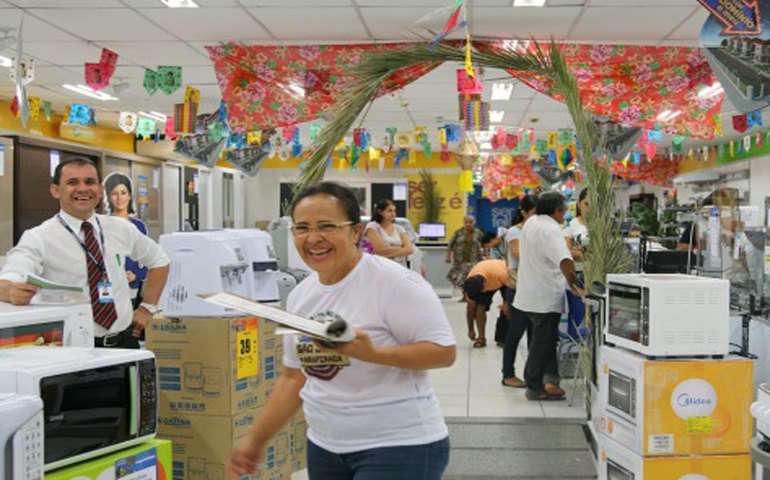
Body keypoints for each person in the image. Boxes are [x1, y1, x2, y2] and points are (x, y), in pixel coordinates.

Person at [230, 182, 456, 480]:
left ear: (355, 232)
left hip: (399, 446)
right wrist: (255, 439)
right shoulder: (301, 295)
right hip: (326, 446)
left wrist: (374, 354)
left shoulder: (395, 284)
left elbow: (443, 352)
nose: (313, 238)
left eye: (327, 226)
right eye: (302, 228)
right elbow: (293, 376)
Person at [0, 157, 169, 348]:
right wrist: (9, 291)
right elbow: (10, 276)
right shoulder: (39, 237)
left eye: (90, 182)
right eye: (72, 182)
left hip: (123, 343)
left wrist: (147, 308)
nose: (82, 189)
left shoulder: (121, 228)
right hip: (72, 350)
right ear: (55, 190)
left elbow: (159, 260)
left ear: (99, 189)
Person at [513, 192, 582, 401]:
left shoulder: (532, 222)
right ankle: (534, 386)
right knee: (542, 342)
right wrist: (576, 285)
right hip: (544, 294)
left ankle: (550, 380)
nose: (566, 215)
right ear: (556, 211)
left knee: (545, 339)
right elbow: (565, 261)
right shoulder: (551, 229)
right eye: (565, 210)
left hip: (529, 292)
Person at [501, 195, 537, 388]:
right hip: (518, 288)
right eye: (533, 213)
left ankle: (531, 374)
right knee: (515, 333)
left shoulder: (535, 231)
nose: (536, 217)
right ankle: (508, 374)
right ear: (523, 212)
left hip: (534, 288)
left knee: (534, 334)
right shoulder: (515, 231)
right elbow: (519, 256)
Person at [104, 172, 148, 308]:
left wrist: (135, 275)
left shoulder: (138, 227)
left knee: (128, 327)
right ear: (108, 197)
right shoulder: (102, 225)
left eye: (123, 192)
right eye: (114, 193)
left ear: (129, 195)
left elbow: (147, 261)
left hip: (131, 289)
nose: (119, 198)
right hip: (108, 288)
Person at [462, 259, 511, 348]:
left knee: (507, 309)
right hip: (487, 275)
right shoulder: (470, 282)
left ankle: (503, 338)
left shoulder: (501, 273)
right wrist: (471, 330)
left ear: (484, 287)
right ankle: (481, 338)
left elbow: (511, 288)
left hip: (504, 280)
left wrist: (506, 303)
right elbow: (470, 309)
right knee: (479, 307)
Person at [564, 188, 588, 339]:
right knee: (579, 313)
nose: (590, 208)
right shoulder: (573, 224)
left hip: (598, 275)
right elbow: (567, 252)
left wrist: (581, 252)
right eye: (586, 204)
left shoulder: (604, 224)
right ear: (579, 204)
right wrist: (585, 253)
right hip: (578, 276)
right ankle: (577, 345)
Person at [364, 199, 414, 267]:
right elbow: (380, 249)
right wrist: (401, 248)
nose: (393, 214)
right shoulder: (373, 226)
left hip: (400, 267)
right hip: (381, 266)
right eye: (389, 211)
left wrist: (387, 254)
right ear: (380, 212)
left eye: (394, 211)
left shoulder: (399, 228)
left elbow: (409, 249)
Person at [445, 216, 483, 297]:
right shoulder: (458, 232)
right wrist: (448, 257)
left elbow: (484, 243)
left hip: (473, 259)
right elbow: (450, 245)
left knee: (471, 278)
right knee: (459, 279)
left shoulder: (478, 232)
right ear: (463, 222)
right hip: (459, 259)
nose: (468, 224)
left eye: (470, 222)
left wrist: (485, 254)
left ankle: (469, 295)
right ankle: (464, 295)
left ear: (474, 223)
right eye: (466, 222)